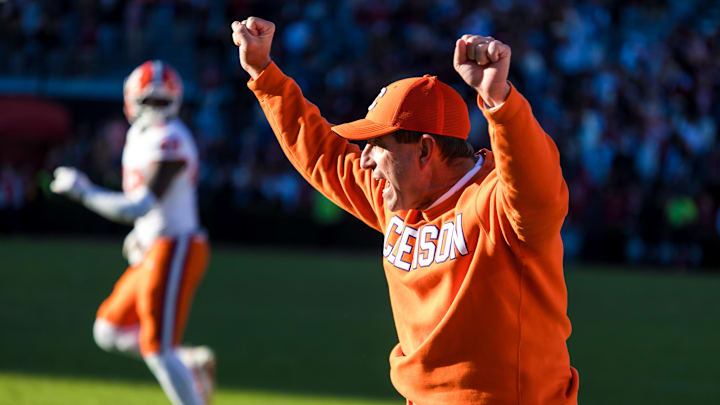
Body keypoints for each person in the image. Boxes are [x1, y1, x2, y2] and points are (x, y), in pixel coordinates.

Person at [232, 16, 579, 405]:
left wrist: (500, 101)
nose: (364, 161)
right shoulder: (397, 197)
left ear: (426, 151)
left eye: (376, 145)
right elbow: (321, 151)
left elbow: (538, 184)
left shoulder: (499, 205)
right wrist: (263, 71)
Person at [50, 61, 216, 405]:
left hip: (176, 246)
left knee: (158, 350)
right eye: (148, 101)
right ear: (131, 101)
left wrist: (83, 192)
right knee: (108, 330)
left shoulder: (171, 139)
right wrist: (142, 234)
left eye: (161, 101)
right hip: (155, 246)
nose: (153, 109)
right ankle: (188, 364)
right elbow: (148, 211)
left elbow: (139, 205)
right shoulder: (138, 135)